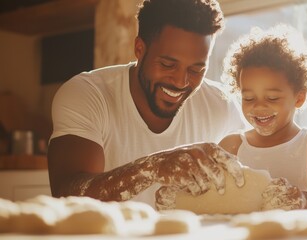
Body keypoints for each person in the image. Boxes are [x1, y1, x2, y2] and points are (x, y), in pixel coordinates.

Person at [47, 0, 247, 207]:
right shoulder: (88, 93)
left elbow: (252, 177)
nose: (181, 82)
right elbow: (68, 196)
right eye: (167, 65)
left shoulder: (222, 105)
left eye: (196, 70)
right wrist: (151, 168)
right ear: (139, 48)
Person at [216, 24, 307, 209]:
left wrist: (298, 198)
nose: (259, 106)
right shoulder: (232, 146)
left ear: (299, 98)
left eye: (272, 98)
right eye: (249, 98)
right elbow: (215, 198)